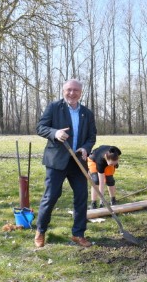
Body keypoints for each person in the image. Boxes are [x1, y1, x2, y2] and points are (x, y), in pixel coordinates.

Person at [35, 79, 97, 248]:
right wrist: (55, 133)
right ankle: (41, 230)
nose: (72, 93)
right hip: (57, 161)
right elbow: (40, 127)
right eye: (69, 90)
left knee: (81, 197)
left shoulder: (87, 113)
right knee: (52, 196)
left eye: (75, 90)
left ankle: (78, 234)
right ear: (63, 91)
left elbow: (92, 136)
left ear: (80, 92)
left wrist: (85, 147)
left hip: (78, 161)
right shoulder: (54, 108)